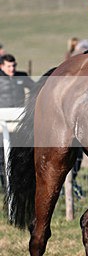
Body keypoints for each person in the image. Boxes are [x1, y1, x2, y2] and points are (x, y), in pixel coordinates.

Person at [0, 55, 34, 189]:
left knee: (20, 153)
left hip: (18, 120)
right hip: (1, 122)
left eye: (14, 65)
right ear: (2, 66)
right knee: (2, 156)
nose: (12, 69)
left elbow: (35, 88)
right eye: (9, 66)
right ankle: (6, 186)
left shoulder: (22, 76)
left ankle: (19, 184)